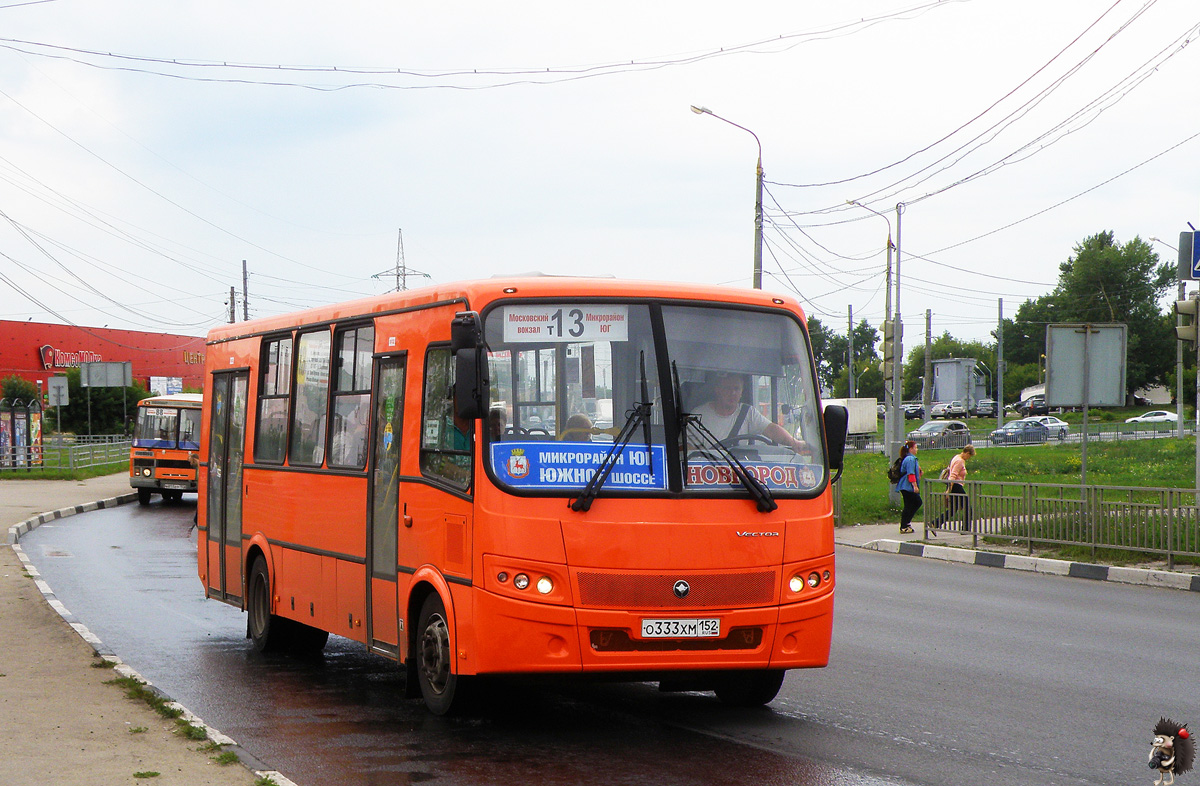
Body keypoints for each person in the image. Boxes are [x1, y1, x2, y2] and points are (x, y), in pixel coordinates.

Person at [694, 372, 806, 452]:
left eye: (736, 389)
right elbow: (686, 449)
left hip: (740, 473)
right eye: (727, 388)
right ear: (717, 390)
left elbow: (771, 429)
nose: (733, 393)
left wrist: (794, 443)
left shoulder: (748, 413)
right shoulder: (698, 416)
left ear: (741, 392)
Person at [931, 444, 975, 532]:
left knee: (953, 509)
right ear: (966, 452)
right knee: (967, 507)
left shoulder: (956, 457)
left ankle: (935, 523)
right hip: (956, 485)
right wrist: (949, 489)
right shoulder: (960, 461)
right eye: (969, 456)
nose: (969, 458)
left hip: (954, 485)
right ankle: (966, 529)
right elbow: (953, 475)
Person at [896, 440, 922, 534]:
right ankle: (904, 525)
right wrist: (914, 486)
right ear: (911, 449)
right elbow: (910, 474)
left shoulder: (910, 458)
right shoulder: (910, 459)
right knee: (915, 503)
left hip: (905, 485)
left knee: (910, 504)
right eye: (915, 447)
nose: (917, 449)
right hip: (907, 486)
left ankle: (906, 524)